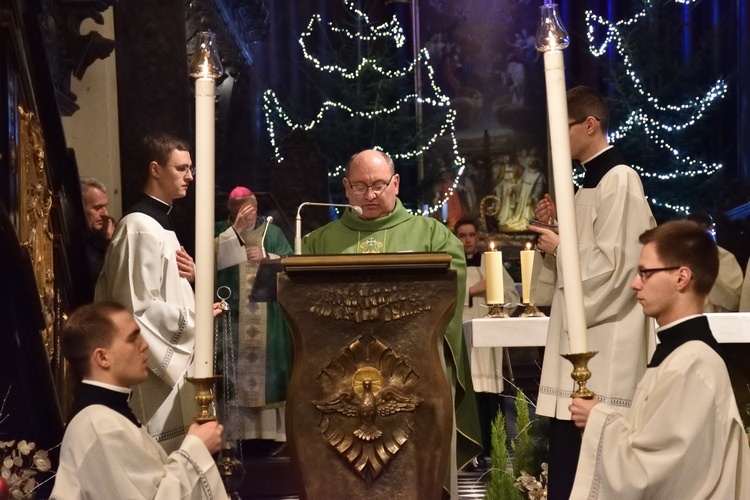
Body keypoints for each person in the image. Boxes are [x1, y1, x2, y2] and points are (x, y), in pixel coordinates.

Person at [302, 149, 481, 497]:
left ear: (395, 183)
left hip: (415, 379)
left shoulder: (433, 237)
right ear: (345, 187)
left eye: (379, 185)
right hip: (342, 382)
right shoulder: (319, 242)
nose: (370, 195)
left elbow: (449, 297)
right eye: (360, 186)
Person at [527, 86, 656, 499]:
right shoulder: (586, 186)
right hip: (584, 346)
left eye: (562, 129)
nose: (556, 140)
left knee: (597, 464)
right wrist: (557, 235)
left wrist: (562, 246)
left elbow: (620, 267)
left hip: (607, 345)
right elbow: (590, 256)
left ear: (589, 124)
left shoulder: (621, 180)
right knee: (568, 462)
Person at [569, 220, 750, 498]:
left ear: (681, 277)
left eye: (645, 273)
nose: (634, 284)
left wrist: (598, 417)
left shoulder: (693, 363)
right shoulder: (679, 353)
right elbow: (653, 438)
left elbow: (654, 472)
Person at [95, 132, 247, 453]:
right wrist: (195, 318)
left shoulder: (160, 225)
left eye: (190, 168)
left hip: (173, 371)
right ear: (155, 169)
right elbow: (135, 308)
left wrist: (195, 283)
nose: (190, 176)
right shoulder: (138, 228)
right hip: (152, 377)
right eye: (181, 168)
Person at [51, 301, 229, 499]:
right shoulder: (100, 426)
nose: (144, 345)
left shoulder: (108, 416)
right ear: (102, 357)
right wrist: (197, 448)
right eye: (132, 338)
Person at [214, 186, 294, 446]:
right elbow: (206, 262)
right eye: (239, 211)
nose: (246, 215)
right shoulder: (219, 231)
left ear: (257, 207)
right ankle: (235, 435)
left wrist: (266, 257)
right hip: (233, 317)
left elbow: (291, 265)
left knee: (271, 371)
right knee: (232, 376)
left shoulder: (273, 232)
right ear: (231, 210)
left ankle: (272, 436)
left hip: (268, 319)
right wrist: (235, 231)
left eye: (249, 210)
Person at [454, 216, 518, 465]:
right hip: (464, 340)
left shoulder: (490, 264)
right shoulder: (452, 263)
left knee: (490, 396)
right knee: (468, 394)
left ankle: (493, 449)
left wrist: (493, 292)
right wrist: (470, 292)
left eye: (472, 235)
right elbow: (442, 299)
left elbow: (512, 294)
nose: (468, 240)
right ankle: (468, 450)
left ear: (477, 237)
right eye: (463, 235)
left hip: (488, 344)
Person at [687, 211, 743, 312]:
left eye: (701, 229)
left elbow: (736, 301)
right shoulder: (677, 257)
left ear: (710, 229)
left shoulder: (725, 257)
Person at [81, 176, 115, 292]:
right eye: (97, 208)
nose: (105, 214)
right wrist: (109, 243)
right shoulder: (75, 241)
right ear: (81, 208)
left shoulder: (103, 231)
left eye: (105, 206)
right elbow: (99, 277)